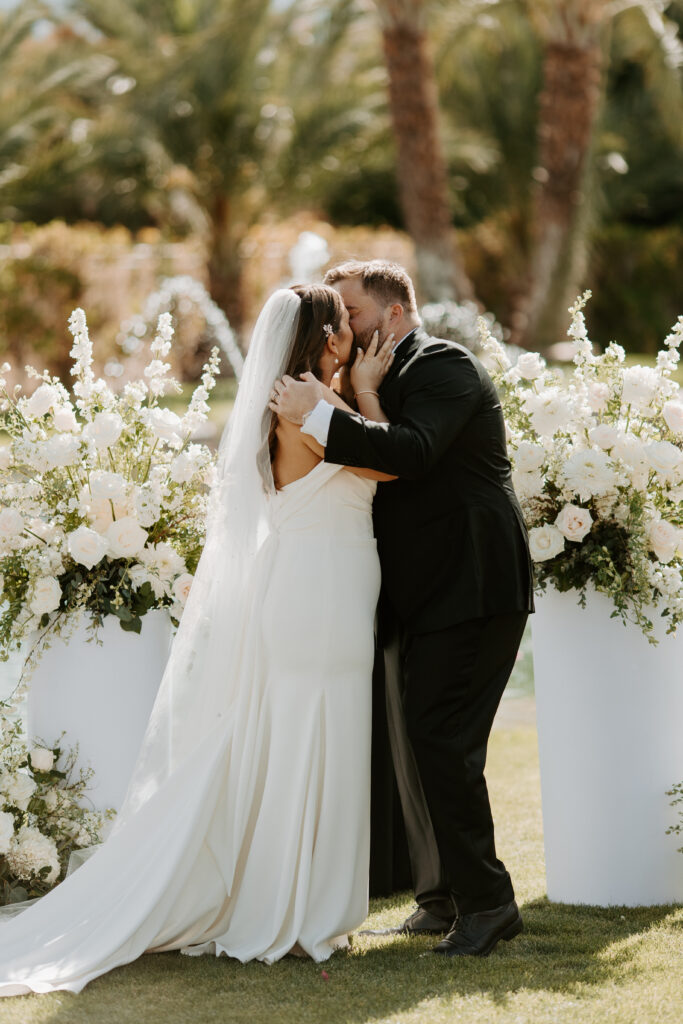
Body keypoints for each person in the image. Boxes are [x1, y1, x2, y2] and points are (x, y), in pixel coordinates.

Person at [0, 284, 396, 997]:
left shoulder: (283, 396)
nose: (351, 335)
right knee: (312, 734)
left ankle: (291, 899)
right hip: (319, 589)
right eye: (342, 325)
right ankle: (293, 909)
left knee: (294, 735)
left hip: (312, 583)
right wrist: (366, 390)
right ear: (325, 339)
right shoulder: (312, 400)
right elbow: (383, 463)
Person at [271, 260, 535, 958]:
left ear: (390, 313)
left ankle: (488, 904)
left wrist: (328, 412)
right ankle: (440, 895)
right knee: (417, 745)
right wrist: (354, 394)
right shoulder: (373, 379)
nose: (340, 326)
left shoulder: (444, 366)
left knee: (441, 739)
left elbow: (411, 455)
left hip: (472, 585)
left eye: (350, 314)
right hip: (414, 594)